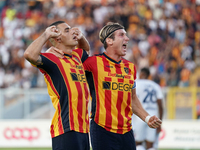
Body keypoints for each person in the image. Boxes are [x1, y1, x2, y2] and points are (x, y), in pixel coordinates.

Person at [48, 22, 162, 150]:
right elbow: (71, 61)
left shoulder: (130, 67)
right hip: (102, 130)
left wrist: (147, 117)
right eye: (121, 35)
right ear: (109, 40)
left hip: (127, 131)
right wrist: (53, 51)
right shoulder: (92, 63)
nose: (127, 38)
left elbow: (133, 99)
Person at [24, 21, 90, 150]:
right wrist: (46, 35)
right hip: (66, 129)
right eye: (67, 30)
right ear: (58, 38)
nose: (72, 31)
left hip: (83, 129)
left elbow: (86, 50)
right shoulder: (52, 59)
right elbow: (29, 55)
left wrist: (81, 37)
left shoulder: (76, 56)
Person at [132, 67, 164, 150]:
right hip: (153, 117)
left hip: (140, 117)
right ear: (149, 75)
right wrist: (160, 122)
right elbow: (160, 105)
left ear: (141, 74)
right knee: (150, 145)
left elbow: (133, 99)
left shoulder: (136, 84)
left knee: (138, 143)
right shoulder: (155, 86)